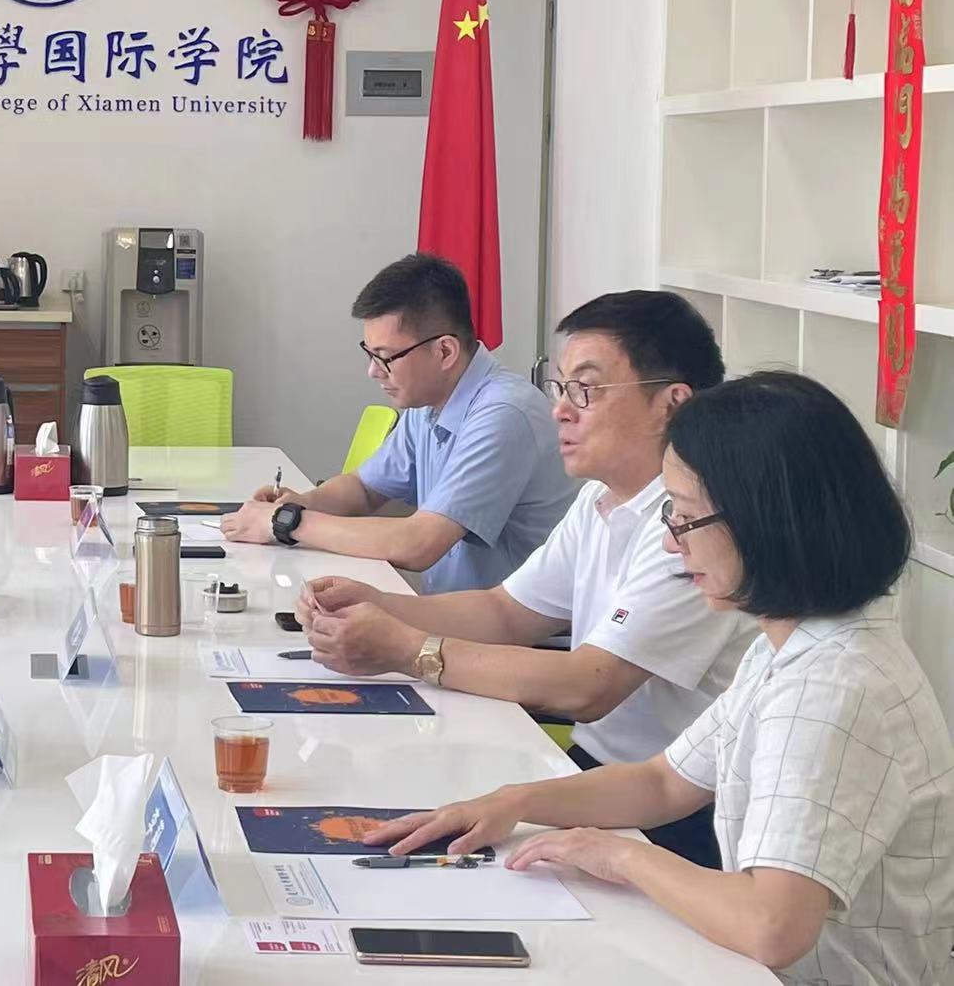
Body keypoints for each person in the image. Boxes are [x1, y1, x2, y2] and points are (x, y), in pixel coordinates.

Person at [366, 372, 954, 985]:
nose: (673, 545)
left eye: (686, 518)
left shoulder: (830, 688)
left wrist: (619, 855)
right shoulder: (790, 644)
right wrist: (513, 802)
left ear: (768, 522)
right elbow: (664, 781)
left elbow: (771, 927)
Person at [297, 291, 754, 867]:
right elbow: (507, 612)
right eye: (559, 387)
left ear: (671, 403)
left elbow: (589, 687)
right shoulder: (601, 496)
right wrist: (375, 603)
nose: (560, 410)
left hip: (678, 815)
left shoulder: (694, 525)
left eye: (585, 390)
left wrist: (409, 650)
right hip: (598, 777)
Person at [223, 253, 573, 593]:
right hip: (453, 614)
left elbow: (418, 543)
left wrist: (287, 523)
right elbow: (364, 489)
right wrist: (301, 502)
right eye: (370, 354)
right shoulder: (428, 402)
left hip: (510, 629)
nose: (373, 371)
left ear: (445, 351)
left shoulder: (505, 414)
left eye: (386, 357)